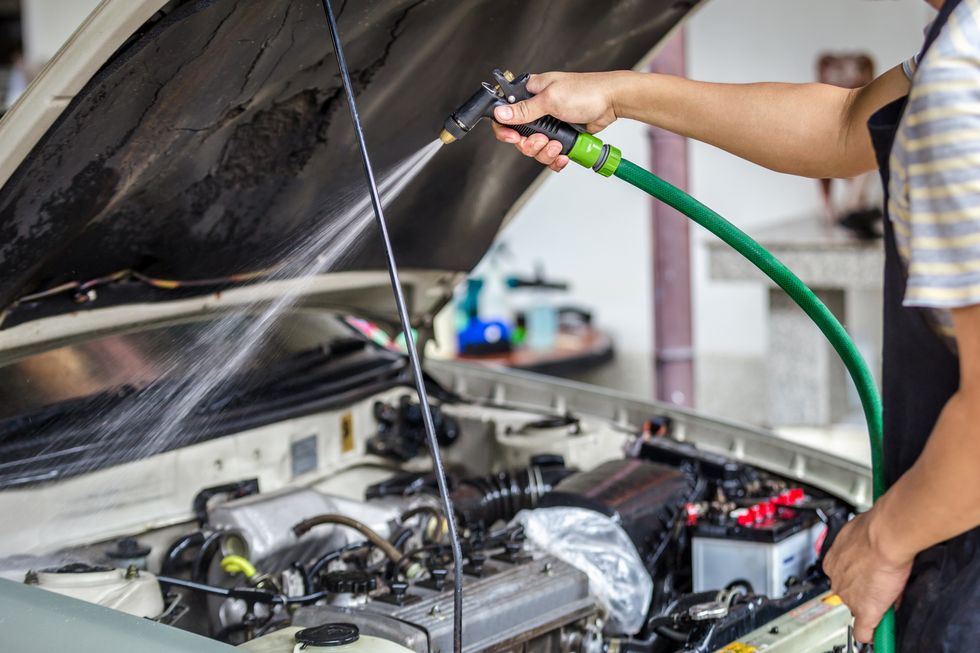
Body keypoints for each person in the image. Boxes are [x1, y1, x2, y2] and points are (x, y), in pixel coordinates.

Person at [490, 1, 980, 650]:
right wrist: (617, 93)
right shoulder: (959, 43)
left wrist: (884, 539)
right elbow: (842, 124)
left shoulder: (963, 82)